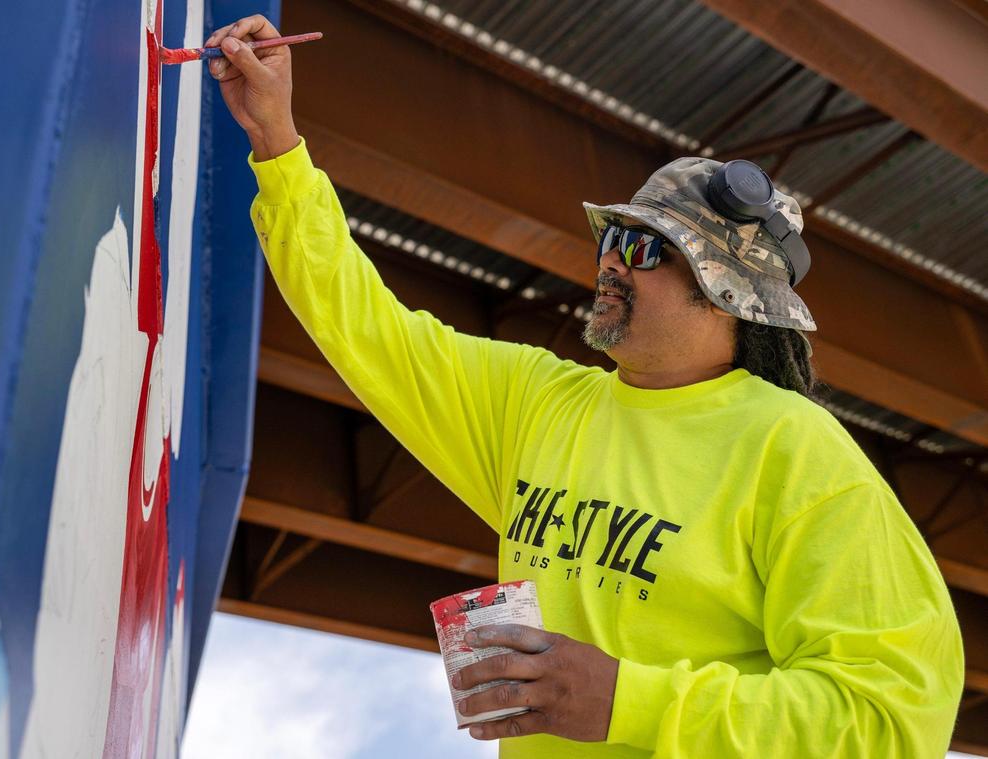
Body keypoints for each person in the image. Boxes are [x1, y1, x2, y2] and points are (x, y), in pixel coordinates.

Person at [205, 15, 964, 758]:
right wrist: (278, 144)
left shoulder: (797, 453)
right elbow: (363, 326)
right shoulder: (539, 404)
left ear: (728, 292)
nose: (610, 260)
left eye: (642, 246)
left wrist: (624, 699)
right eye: (610, 237)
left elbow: (889, 724)